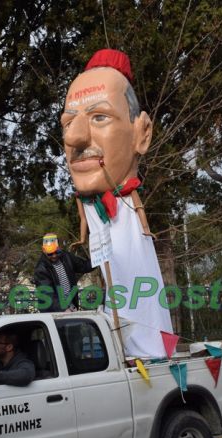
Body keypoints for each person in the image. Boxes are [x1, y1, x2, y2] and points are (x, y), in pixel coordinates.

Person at [60, 49, 174, 358]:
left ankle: (149, 346)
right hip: (106, 248)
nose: (75, 138)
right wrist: (82, 235)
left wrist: (146, 229)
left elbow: (136, 207)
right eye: (69, 123)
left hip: (130, 239)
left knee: (138, 290)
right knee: (117, 290)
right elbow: (85, 217)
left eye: (99, 117)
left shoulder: (126, 201)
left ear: (142, 134)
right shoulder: (87, 204)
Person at [33, 233, 94, 312]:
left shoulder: (66, 257)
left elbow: (83, 266)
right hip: (53, 312)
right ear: (44, 250)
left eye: (56, 252)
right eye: (50, 254)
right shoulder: (41, 269)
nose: (54, 255)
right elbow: (47, 295)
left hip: (71, 307)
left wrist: (98, 260)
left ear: (59, 248)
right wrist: (63, 309)